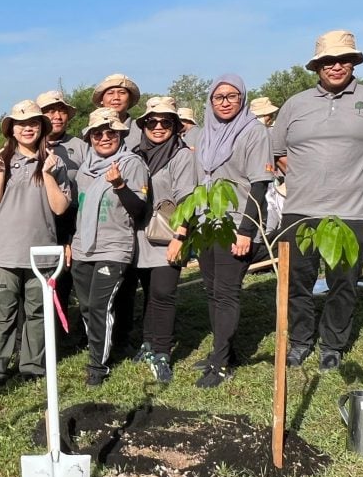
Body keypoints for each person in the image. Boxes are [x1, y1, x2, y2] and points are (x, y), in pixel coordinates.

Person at [273, 30, 363, 371]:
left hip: (351, 211)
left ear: (354, 63)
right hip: (300, 210)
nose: (336, 66)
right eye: (328, 61)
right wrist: (304, 178)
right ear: (317, 66)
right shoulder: (295, 105)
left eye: (343, 59)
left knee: (343, 282)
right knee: (297, 280)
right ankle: (300, 341)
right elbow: (279, 153)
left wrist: (359, 179)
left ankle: (332, 344)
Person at [0, 100, 70, 387]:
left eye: (33, 123)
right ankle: (0, 368)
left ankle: (32, 366)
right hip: (4, 253)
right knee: (5, 314)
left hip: (41, 253)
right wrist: (1, 172)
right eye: (21, 124)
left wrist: (47, 174)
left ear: (41, 127)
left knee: (37, 312)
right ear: (12, 129)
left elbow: (60, 208)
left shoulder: (55, 162)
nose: (27, 128)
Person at [194, 74, 274, 388]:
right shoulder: (205, 133)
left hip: (236, 224)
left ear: (242, 98)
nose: (225, 102)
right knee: (212, 292)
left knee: (226, 293)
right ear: (210, 101)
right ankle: (223, 352)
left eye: (232, 96)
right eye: (219, 97)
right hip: (206, 224)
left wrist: (245, 230)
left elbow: (259, 185)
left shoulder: (253, 131)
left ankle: (221, 364)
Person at [69, 108, 148, 386]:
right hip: (83, 247)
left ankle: (97, 366)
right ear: (90, 138)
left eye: (111, 132)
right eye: (98, 133)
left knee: (100, 306)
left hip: (114, 247)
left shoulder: (131, 164)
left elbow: (139, 209)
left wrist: (120, 185)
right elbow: (77, 210)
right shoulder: (84, 170)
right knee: (87, 307)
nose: (104, 137)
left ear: (121, 134)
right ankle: (100, 346)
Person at [126, 97, 199, 383]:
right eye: (152, 122)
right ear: (143, 125)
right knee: (149, 293)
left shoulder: (181, 156)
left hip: (169, 236)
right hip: (141, 236)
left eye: (166, 122)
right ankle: (147, 343)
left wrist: (180, 236)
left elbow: (188, 200)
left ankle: (162, 351)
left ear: (176, 126)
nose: (158, 127)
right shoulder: (135, 154)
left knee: (163, 293)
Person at [37, 90, 90, 344]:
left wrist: (70, 236)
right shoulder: (27, 145)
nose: (56, 116)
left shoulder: (80, 147)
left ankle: (60, 338)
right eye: (50, 111)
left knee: (62, 283)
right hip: (35, 226)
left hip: (67, 225)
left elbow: (84, 194)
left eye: (61, 111)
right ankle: (33, 341)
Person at [92, 73, 143, 150]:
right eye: (110, 93)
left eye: (122, 93)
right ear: (101, 100)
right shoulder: (89, 132)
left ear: (130, 99)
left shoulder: (142, 131)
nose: (116, 97)